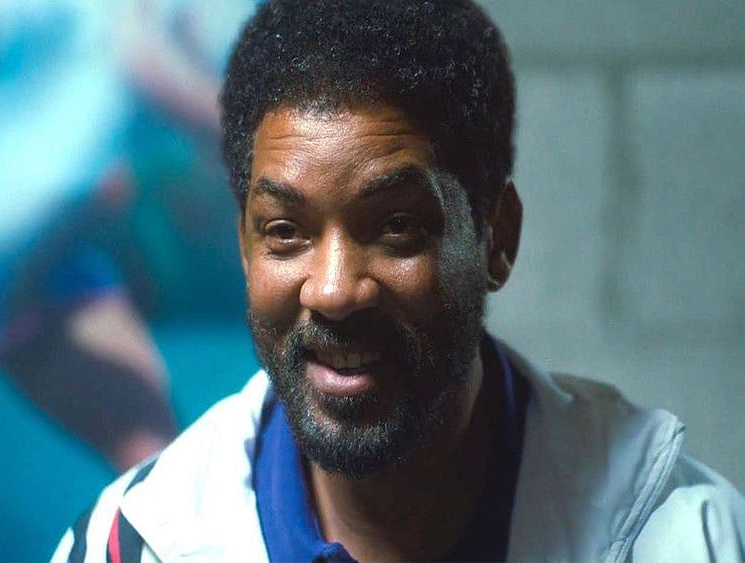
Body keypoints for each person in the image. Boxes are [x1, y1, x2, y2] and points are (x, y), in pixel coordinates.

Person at [52, 1, 745, 561]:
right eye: (285, 230)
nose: (332, 290)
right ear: (244, 247)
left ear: (497, 236)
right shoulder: (129, 545)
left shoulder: (691, 540)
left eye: (396, 226)